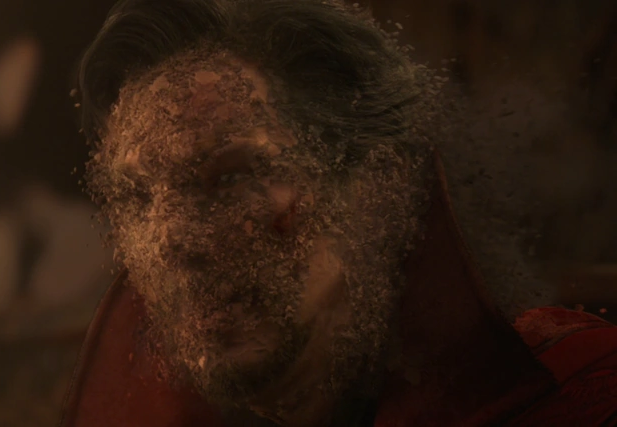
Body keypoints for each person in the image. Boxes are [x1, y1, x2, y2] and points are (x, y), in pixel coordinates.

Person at [58, 0, 617, 426]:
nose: (170, 239)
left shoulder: (579, 396)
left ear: (378, 185)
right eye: (140, 197)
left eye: (231, 178)